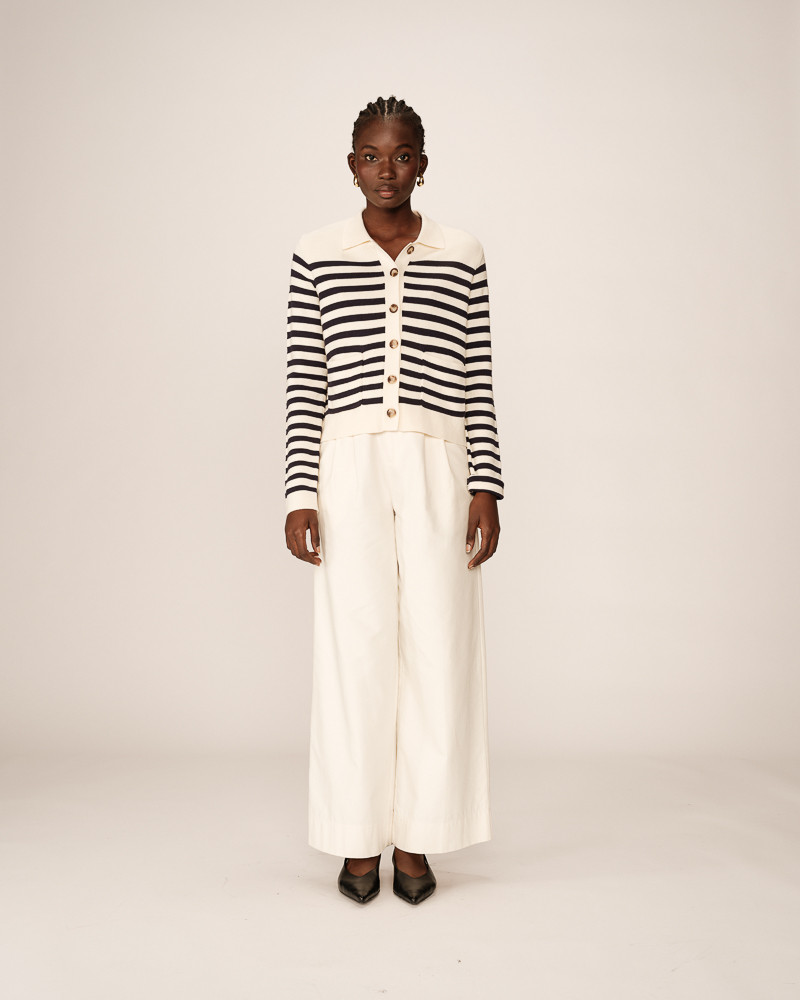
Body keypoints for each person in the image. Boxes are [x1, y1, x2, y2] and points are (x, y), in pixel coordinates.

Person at [283, 95, 504, 905]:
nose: (387, 170)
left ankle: (419, 836)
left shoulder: (462, 252)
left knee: (440, 646)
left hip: (438, 461)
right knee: (356, 648)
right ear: (352, 166)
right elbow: (305, 379)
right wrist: (299, 491)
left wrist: (486, 483)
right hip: (347, 464)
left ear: (422, 164)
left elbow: (478, 378)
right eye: (372, 157)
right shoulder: (316, 253)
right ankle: (355, 836)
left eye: (402, 155)